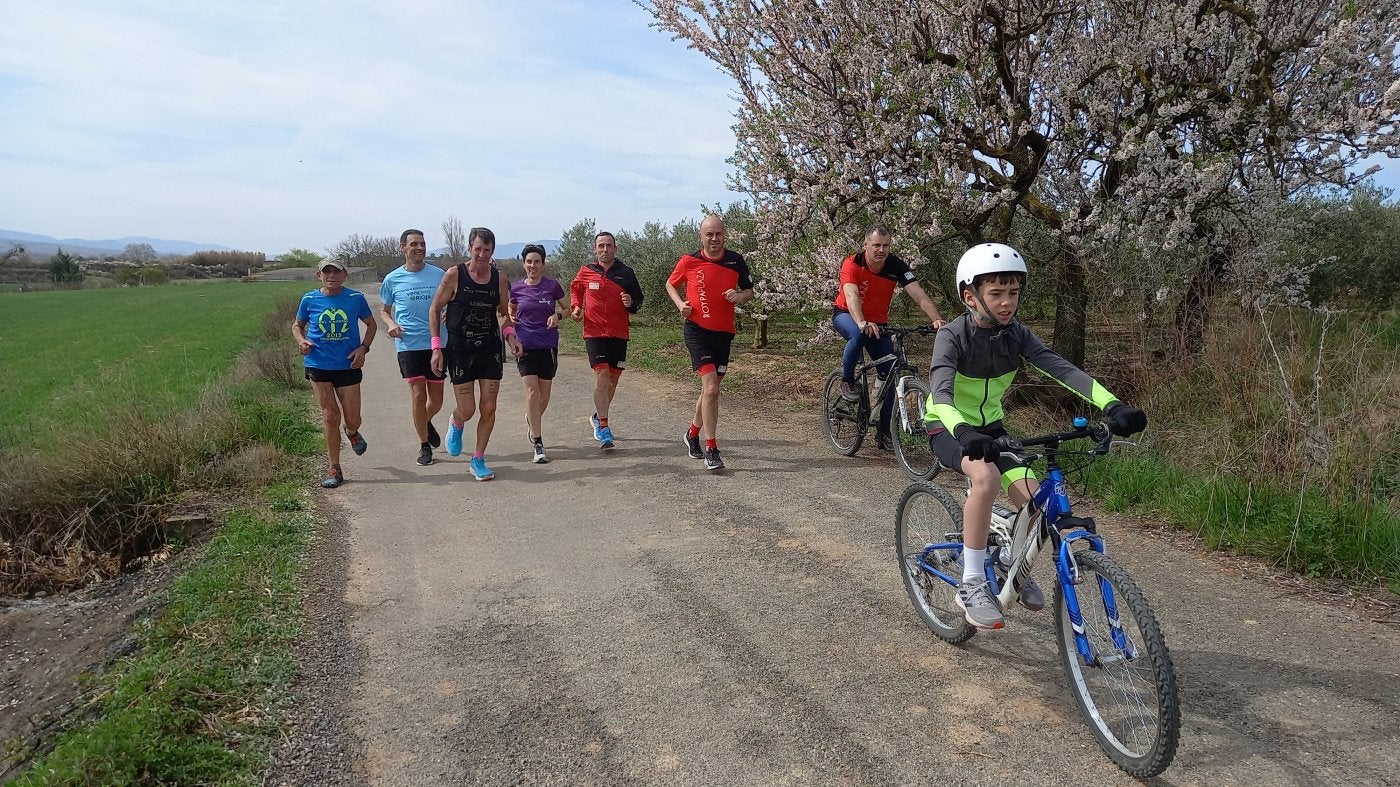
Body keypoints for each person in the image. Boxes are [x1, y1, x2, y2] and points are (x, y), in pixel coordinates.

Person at [925, 242, 1147, 630]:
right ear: (970, 296)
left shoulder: (1017, 335)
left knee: (1036, 500)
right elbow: (941, 392)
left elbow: (1063, 370)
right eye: (996, 293)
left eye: (1013, 293)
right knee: (986, 477)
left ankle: (1012, 561)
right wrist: (962, 430)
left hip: (991, 428)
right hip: (948, 424)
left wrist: (1113, 405)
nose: (1007, 302)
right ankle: (973, 581)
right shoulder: (952, 336)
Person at [833, 226, 947, 450]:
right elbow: (851, 294)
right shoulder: (852, 263)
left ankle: (885, 432)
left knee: (891, 372)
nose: (881, 250)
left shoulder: (896, 265)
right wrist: (861, 322)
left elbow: (918, 293)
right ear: (866, 245)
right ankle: (847, 381)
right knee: (857, 335)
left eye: (885, 245)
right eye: (876, 245)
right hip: (847, 315)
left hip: (879, 323)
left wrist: (937, 319)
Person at [428, 226, 522, 481]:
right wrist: (436, 347)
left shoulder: (499, 278)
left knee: (489, 407)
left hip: (490, 347)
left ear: (492, 251)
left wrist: (511, 336)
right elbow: (435, 309)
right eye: (477, 248)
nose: (481, 254)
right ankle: (457, 421)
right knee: (468, 408)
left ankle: (478, 458)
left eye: (487, 250)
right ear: (469, 248)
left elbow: (503, 313)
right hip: (460, 348)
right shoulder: (454, 275)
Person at [665, 214, 755, 471]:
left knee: (709, 392)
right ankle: (711, 448)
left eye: (718, 234)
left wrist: (738, 296)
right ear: (701, 236)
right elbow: (670, 285)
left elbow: (750, 291)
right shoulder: (689, 261)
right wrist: (681, 304)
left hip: (724, 334)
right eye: (709, 234)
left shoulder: (736, 260)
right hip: (697, 331)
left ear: (724, 235)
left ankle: (692, 433)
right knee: (712, 389)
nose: (714, 238)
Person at [293, 258, 377, 489]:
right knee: (330, 415)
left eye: (336, 272)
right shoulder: (309, 299)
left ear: (344, 275)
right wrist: (301, 342)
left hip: (347, 365)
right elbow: (297, 325)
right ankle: (334, 467)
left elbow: (371, 325)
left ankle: (352, 432)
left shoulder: (355, 298)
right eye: (326, 272)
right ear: (318, 275)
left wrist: (363, 348)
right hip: (318, 363)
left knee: (353, 418)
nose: (331, 276)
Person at [569, 231, 643, 450]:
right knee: (602, 376)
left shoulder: (626, 273)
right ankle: (604, 427)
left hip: (619, 334)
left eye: (608, 246)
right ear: (595, 249)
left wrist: (630, 302)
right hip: (594, 333)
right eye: (600, 246)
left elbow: (638, 301)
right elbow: (575, 289)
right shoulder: (586, 271)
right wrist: (576, 307)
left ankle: (597, 416)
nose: (604, 249)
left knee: (613, 381)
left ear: (615, 249)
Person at [380, 228, 447, 466]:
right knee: (419, 396)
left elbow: (450, 300)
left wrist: (449, 313)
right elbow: (384, 310)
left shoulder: (439, 274)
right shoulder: (392, 279)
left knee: (436, 400)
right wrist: (390, 324)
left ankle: (425, 422)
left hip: (437, 342)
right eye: (414, 244)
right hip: (408, 344)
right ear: (403, 248)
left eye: (422, 244)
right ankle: (424, 446)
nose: (419, 248)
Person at [509, 244, 566, 464]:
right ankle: (538, 443)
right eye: (529, 262)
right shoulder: (516, 288)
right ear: (524, 264)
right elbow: (510, 310)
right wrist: (512, 320)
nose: (533, 266)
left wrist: (558, 317)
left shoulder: (552, 286)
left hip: (548, 346)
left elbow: (568, 309)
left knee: (544, 397)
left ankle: (531, 419)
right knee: (532, 394)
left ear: (543, 264)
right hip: (525, 346)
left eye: (537, 262)